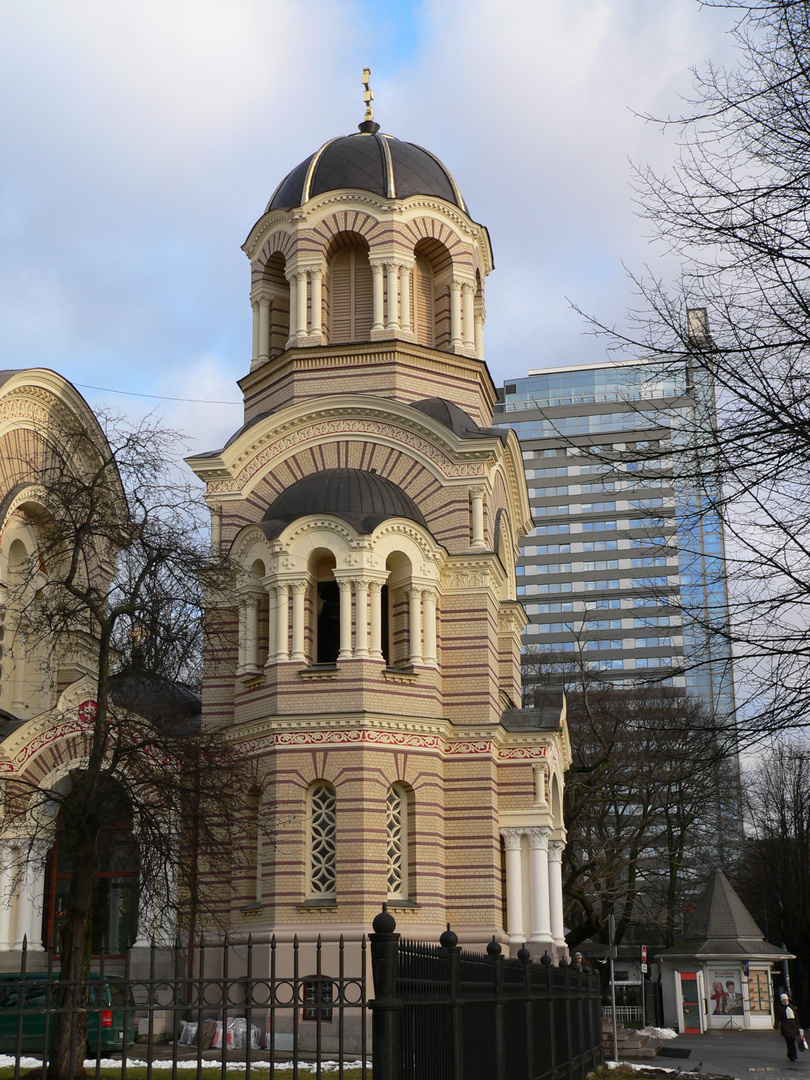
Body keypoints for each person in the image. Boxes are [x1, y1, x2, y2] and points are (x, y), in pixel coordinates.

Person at [775, 992, 801, 1061]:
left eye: (786, 1000)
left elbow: (796, 1017)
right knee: (789, 1041)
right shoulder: (780, 1008)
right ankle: (792, 1055)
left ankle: (791, 1054)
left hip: (793, 1026)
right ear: (782, 1001)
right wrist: (775, 1027)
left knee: (792, 1041)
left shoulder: (792, 1007)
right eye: (784, 1000)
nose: (785, 1001)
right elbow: (777, 1018)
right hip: (785, 1026)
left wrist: (799, 1026)